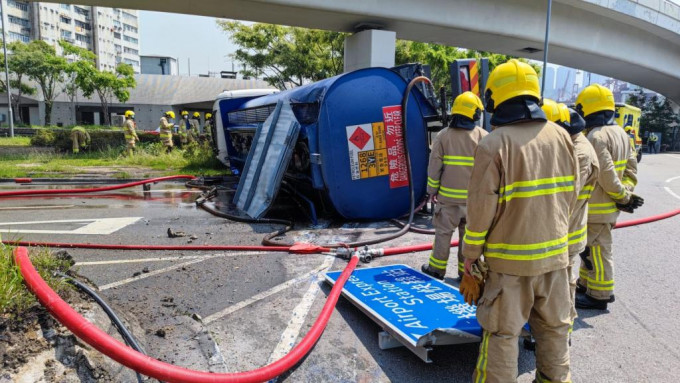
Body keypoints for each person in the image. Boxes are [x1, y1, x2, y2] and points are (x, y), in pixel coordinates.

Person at [463, 59, 577, 382]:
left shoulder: (492, 145)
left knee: (501, 337)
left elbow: (480, 211)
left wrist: (471, 258)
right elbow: (571, 196)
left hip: (509, 269)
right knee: (555, 332)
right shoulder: (562, 137)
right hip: (555, 264)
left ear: (494, 99)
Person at [575, 84, 643, 310]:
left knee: (598, 250)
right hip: (610, 207)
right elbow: (631, 168)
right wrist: (627, 193)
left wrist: (623, 197)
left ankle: (600, 295)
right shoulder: (622, 133)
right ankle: (586, 285)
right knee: (590, 249)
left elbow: (605, 175)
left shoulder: (596, 136)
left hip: (596, 208)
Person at [545, 100, 600, 331]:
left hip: (567, 232)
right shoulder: (574, 144)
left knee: (563, 285)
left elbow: (565, 200)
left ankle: (561, 331)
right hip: (568, 230)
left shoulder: (578, 153)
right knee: (560, 283)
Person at [421, 91, 488, 280]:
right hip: (473, 202)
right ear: (475, 114)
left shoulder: (443, 136)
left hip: (447, 201)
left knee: (443, 234)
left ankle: (436, 270)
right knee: (468, 239)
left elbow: (434, 167)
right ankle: (464, 273)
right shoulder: (484, 136)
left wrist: (431, 191)